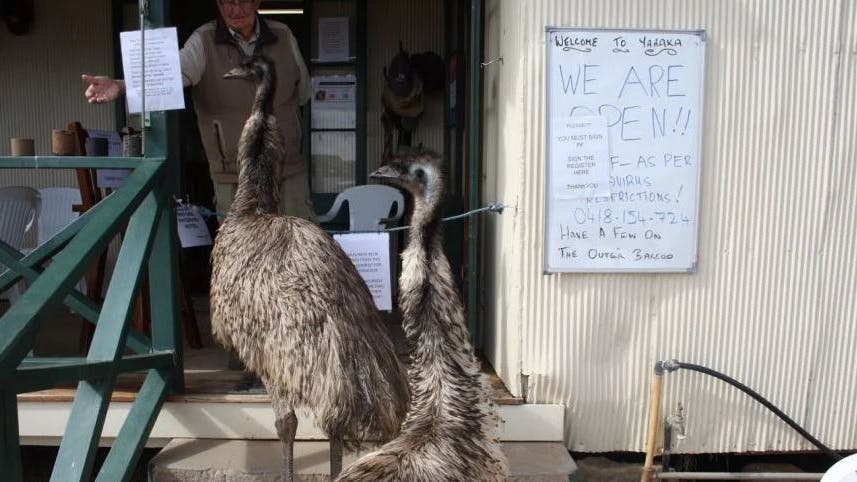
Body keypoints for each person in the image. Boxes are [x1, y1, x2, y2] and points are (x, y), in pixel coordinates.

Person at [82, 0, 315, 220]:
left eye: (242, 1)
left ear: (256, 2)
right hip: (232, 175)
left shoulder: (283, 35)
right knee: (241, 254)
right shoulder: (203, 40)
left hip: (288, 171)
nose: (235, 10)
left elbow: (303, 92)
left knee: (298, 250)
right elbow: (169, 73)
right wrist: (121, 85)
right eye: (227, 2)